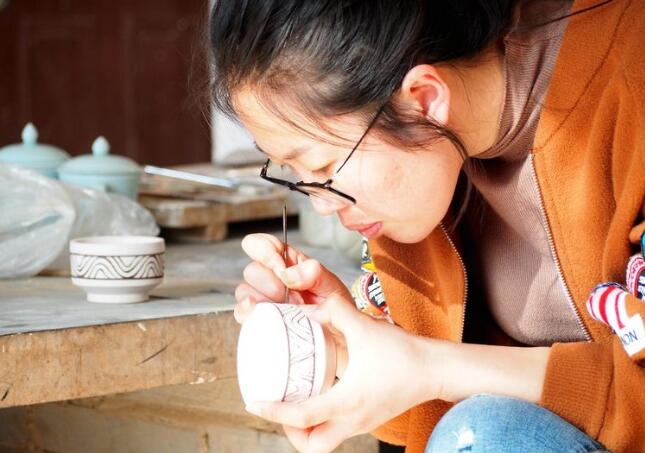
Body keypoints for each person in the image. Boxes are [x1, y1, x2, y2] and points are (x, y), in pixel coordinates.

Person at [207, 0, 645, 452]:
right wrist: (342, 346)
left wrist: (432, 366)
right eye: (294, 174)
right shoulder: (416, 178)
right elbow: (425, 423)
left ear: (425, 99)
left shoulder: (634, 79)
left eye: (323, 167)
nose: (320, 205)